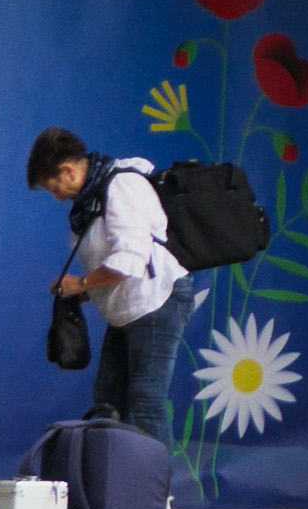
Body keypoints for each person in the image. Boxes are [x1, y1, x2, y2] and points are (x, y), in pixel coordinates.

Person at [26, 127, 194, 443]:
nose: (58, 197)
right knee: (108, 399)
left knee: (147, 399)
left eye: (54, 187)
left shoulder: (122, 186)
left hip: (156, 302)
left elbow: (130, 261)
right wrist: (80, 292)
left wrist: (81, 284)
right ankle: (118, 482)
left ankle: (158, 491)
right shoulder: (90, 202)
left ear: (69, 171)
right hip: (127, 309)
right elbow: (113, 267)